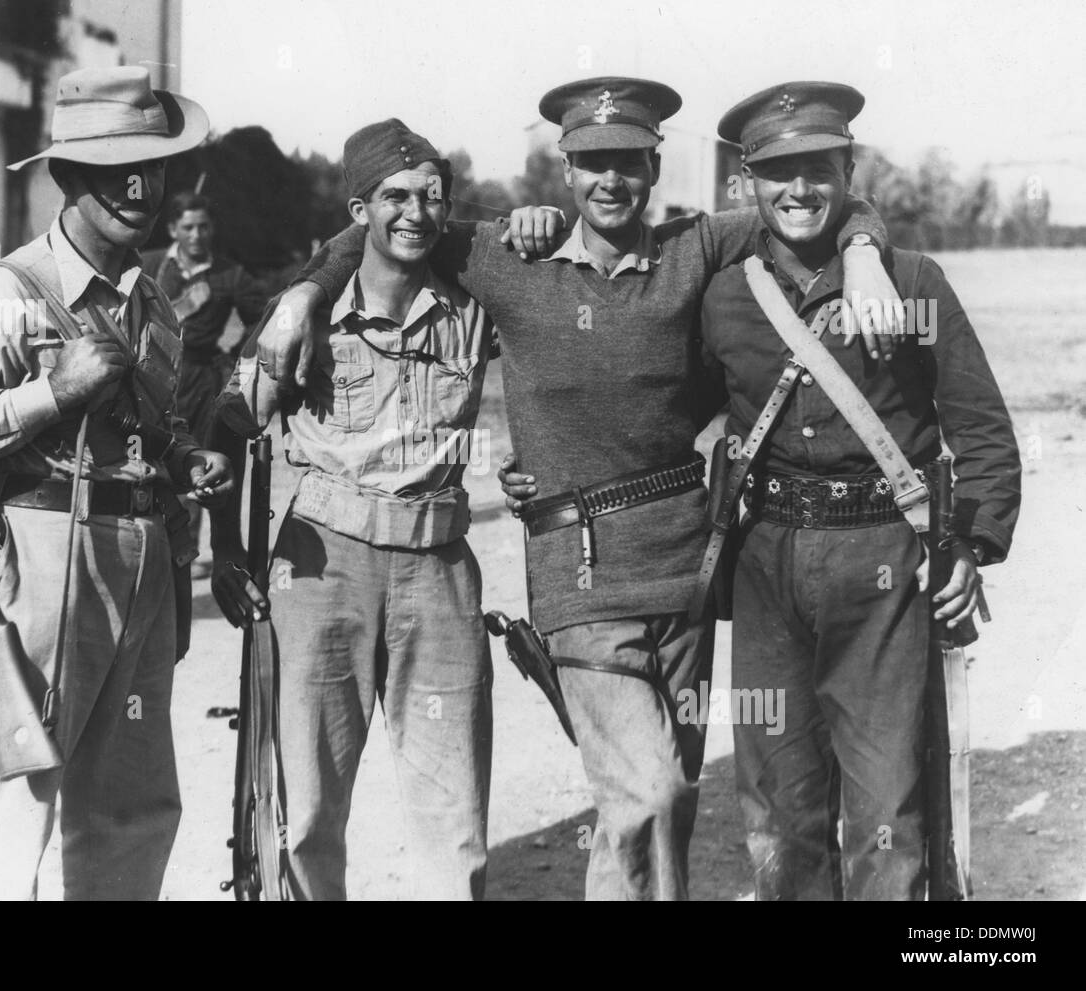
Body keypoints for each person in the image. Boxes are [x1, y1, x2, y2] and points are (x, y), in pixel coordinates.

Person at [257, 77, 902, 900]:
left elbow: (827, 203)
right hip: (580, 572)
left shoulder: (694, 246)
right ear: (565, 170)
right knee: (647, 790)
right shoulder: (506, 259)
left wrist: (865, 255)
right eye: (592, 163)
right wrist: (304, 294)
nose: (610, 181)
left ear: (654, 166)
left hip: (687, 570)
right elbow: (386, 230)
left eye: (628, 162)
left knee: (661, 803)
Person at [0, 66, 232, 900]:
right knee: (13, 810)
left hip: (142, 557)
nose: (140, 188)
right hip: (44, 560)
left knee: (133, 810)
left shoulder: (152, 302)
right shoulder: (2, 295)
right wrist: (52, 390)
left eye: (153, 167)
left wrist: (186, 458)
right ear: (67, 177)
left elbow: (155, 428)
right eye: (116, 170)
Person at [696, 82, 1021, 899]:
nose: (798, 190)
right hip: (767, 565)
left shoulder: (911, 281)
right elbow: (668, 412)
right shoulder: (724, 294)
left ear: (848, 171)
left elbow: (979, 427)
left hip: (884, 566)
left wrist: (968, 547)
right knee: (778, 805)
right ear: (746, 182)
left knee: (889, 806)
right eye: (777, 173)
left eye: (817, 168)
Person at [212, 119, 495, 900]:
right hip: (324, 566)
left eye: (433, 196)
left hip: (438, 573)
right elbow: (226, 425)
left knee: (455, 815)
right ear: (359, 208)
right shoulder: (302, 320)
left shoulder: (475, 307)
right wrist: (227, 553)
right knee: (305, 811)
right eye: (395, 197)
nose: (416, 214)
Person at [143, 193, 266, 578]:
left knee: (201, 455)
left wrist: (233, 353)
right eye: (188, 227)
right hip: (154, 374)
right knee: (155, 454)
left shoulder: (228, 273)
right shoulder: (152, 265)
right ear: (173, 229)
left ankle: (200, 549)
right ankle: (164, 539)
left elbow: (261, 318)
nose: (197, 235)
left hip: (201, 377)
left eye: (204, 227)